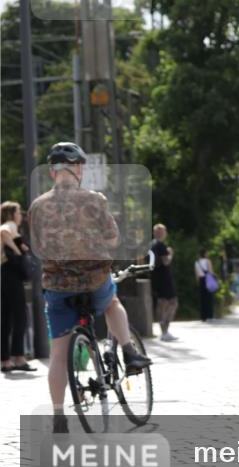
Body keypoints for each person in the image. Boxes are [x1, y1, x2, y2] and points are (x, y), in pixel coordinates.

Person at [28, 142, 151, 427]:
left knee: (58, 355)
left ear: (52, 172)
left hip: (58, 287)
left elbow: (38, 246)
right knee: (112, 303)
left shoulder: (38, 206)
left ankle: (59, 416)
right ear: (79, 168)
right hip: (94, 281)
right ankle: (129, 352)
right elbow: (113, 238)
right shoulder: (94, 200)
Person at [1, 201, 35, 372]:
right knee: (20, 317)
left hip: (3, 274)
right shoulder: (10, 225)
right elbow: (3, 232)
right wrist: (17, 249)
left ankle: (5, 360)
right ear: (11, 215)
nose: (20, 216)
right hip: (11, 276)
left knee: (5, 318)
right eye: (18, 213)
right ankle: (19, 358)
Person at [148, 223, 179, 341]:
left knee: (162, 303)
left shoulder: (151, 244)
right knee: (172, 302)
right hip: (165, 278)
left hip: (156, 278)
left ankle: (164, 331)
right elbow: (166, 262)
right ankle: (165, 331)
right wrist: (170, 253)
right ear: (162, 233)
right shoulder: (160, 245)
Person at [194, 249, 216, 321]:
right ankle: (210, 316)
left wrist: (198, 282)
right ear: (205, 254)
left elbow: (197, 275)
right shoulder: (208, 261)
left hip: (201, 280)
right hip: (207, 279)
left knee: (202, 299)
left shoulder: (197, 262)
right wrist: (213, 279)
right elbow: (210, 271)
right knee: (209, 298)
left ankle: (203, 316)